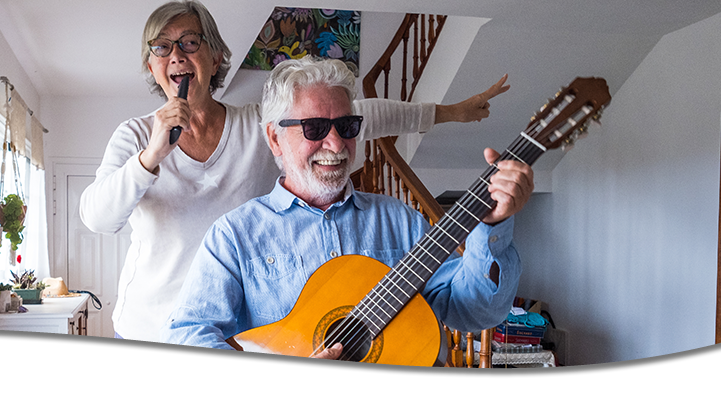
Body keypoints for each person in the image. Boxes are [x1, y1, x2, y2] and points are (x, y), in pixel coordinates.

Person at [78, 0, 511, 342]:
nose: (176, 55)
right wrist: (152, 155)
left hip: (248, 323)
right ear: (152, 64)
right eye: (162, 47)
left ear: (214, 55)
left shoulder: (254, 124)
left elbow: (362, 114)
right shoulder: (135, 136)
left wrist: (450, 111)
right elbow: (98, 218)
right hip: (153, 323)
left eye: (190, 42)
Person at [160, 56, 533, 359]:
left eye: (347, 126)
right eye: (315, 128)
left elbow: (475, 311)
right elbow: (187, 334)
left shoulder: (400, 221)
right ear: (275, 137)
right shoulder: (236, 235)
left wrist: (492, 228)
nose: (337, 145)